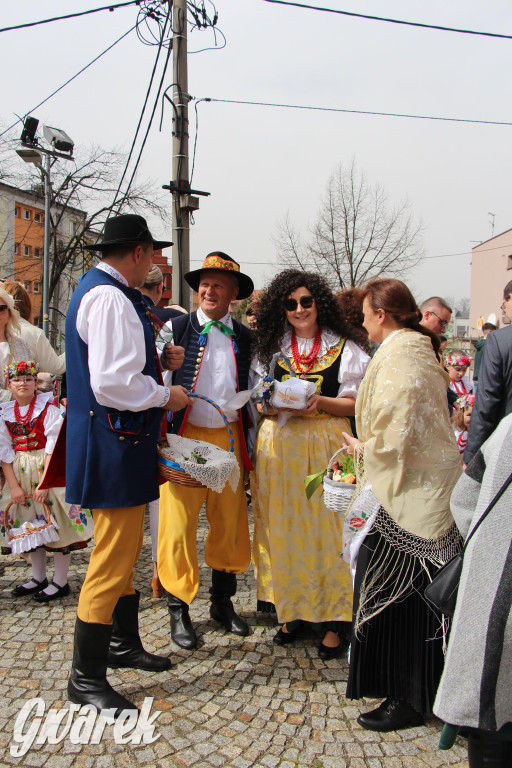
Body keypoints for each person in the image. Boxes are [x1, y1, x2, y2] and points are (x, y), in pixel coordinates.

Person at [64, 213, 189, 716]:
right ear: (137, 252)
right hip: (113, 443)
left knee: (127, 548)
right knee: (111, 557)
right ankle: (84, 678)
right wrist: (167, 394)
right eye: (153, 253)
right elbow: (113, 383)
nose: (155, 262)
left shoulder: (107, 292)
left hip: (118, 441)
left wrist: (163, 364)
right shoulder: (112, 298)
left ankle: (122, 644)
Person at [342, 278, 462, 731]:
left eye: (367, 312)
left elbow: (397, 433)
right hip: (418, 490)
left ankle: (410, 697)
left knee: (405, 601)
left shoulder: (401, 354)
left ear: (383, 314)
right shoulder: (412, 349)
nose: (363, 320)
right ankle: (412, 692)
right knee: (409, 599)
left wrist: (361, 448)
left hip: (412, 497)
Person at [251, 270, 370, 658]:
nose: (299, 309)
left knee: (329, 531)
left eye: (306, 301)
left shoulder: (345, 347)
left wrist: (318, 402)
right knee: (284, 528)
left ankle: (335, 620)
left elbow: (355, 403)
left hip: (325, 445)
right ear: (281, 309)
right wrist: (268, 402)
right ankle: (292, 609)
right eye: (291, 303)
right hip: (280, 451)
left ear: (319, 302)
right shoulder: (273, 348)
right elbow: (258, 399)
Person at [157, 252, 254, 650]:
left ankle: (221, 603)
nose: (209, 291)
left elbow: (253, 385)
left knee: (230, 523)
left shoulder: (246, 336)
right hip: (186, 436)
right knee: (178, 524)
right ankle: (179, 608)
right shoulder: (174, 328)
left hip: (228, 436)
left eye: (218, 285)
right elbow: (153, 380)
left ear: (233, 293)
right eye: (205, 284)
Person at [434, 414, 512, 767]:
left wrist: (485, 551)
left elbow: (465, 496)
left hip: (492, 599)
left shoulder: (509, 426)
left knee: (491, 713)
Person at [0, 360, 92, 600]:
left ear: (35, 384)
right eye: (17, 379)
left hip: (47, 471)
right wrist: (13, 486)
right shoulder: (4, 413)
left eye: (28, 379)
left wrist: (45, 483)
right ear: (9, 384)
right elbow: (4, 453)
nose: (23, 383)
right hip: (20, 474)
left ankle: (61, 581)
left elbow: (53, 447)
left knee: (57, 523)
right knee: (30, 525)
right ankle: (38, 577)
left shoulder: (48, 409)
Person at [140, 264, 185, 599]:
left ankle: (132, 579)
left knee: (124, 509)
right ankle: (158, 574)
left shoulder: (132, 314)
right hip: (159, 417)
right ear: (160, 288)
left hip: (127, 421)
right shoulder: (168, 321)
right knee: (158, 502)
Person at [465, 280, 512, 465]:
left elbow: (487, 402)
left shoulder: (499, 341)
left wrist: (471, 456)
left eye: (504, 304)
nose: (504, 310)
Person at [1, 281, 66, 376]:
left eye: (2, 308)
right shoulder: (33, 333)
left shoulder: (22, 343)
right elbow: (55, 367)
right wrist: (74, 346)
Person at [0, 288, 31, 402]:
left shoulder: (21, 345)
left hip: (18, 414)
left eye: (1, 308)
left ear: (9, 313)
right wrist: (14, 397)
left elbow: (29, 378)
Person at [472, 322, 496, 395]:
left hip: (477, 377)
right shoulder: (487, 345)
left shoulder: (480, 344)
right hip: (484, 378)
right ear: (490, 332)